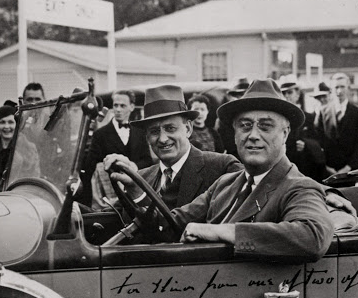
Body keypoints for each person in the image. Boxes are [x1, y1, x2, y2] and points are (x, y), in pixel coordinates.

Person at [107, 79, 335, 262]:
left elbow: (313, 236)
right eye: (245, 126)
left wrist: (220, 232)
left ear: (285, 134)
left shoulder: (298, 187)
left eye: (265, 126)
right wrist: (135, 190)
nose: (253, 135)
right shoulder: (226, 184)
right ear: (235, 134)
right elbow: (169, 223)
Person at [104, 85, 242, 211]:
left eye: (170, 128)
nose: (163, 139)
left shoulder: (222, 168)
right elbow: (107, 217)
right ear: (147, 138)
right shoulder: (141, 178)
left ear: (188, 129)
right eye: (154, 131)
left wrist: (139, 195)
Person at [85, 90, 153, 207]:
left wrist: (134, 167)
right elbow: (91, 166)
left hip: (137, 194)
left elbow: (147, 161)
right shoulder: (100, 134)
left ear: (131, 107)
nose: (118, 109)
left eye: (122, 106)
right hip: (110, 197)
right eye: (115, 105)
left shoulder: (140, 132)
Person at [0, 104, 40, 194]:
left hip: (18, 198)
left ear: (17, 124)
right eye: (2, 122)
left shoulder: (29, 149)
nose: (6, 126)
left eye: (10, 122)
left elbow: (33, 181)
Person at [315, 72, 358, 178]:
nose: (339, 91)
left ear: (348, 88)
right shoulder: (323, 111)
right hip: (328, 170)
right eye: (336, 87)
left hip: (349, 172)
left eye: (342, 87)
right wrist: (326, 166)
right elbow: (317, 140)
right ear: (331, 90)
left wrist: (348, 167)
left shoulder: (357, 113)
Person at [280, 75, 325, 182]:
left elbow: (320, 142)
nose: (286, 96)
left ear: (298, 94)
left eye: (290, 92)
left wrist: (306, 144)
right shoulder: (278, 119)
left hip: (305, 170)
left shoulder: (309, 118)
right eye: (283, 93)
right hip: (283, 171)